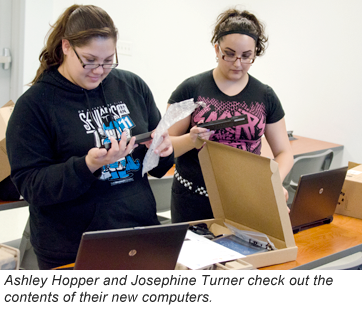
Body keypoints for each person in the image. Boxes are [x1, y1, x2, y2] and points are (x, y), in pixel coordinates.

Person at [6, 4, 174, 269]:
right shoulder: (35, 105)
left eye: (108, 61)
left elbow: (157, 165)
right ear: (66, 47)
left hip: (138, 233)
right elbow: (31, 186)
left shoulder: (132, 86)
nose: (99, 70)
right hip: (71, 247)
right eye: (89, 60)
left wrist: (162, 150)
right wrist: (88, 165)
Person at [167, 8, 293, 223]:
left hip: (244, 197)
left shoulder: (265, 95)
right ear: (216, 49)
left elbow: (284, 153)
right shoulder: (190, 89)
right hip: (193, 199)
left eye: (246, 56)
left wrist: (272, 183)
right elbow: (164, 146)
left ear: (255, 53)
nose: (237, 63)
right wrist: (190, 139)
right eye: (229, 53)